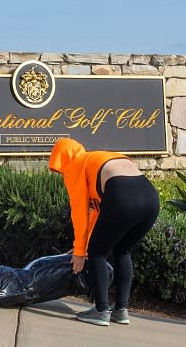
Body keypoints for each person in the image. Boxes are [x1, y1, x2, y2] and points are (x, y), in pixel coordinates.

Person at [48, 138, 160, 326]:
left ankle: (100, 311)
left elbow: (80, 212)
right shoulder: (97, 159)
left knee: (97, 253)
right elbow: (99, 213)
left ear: (62, 158)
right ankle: (121, 311)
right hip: (150, 198)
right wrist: (80, 246)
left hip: (123, 197)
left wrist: (80, 251)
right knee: (123, 250)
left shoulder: (75, 165)